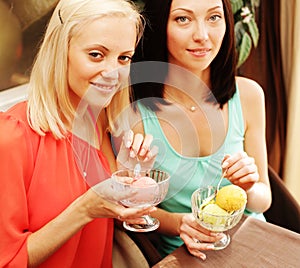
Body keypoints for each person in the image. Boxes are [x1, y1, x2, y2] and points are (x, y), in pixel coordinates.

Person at [0, 0, 155, 267]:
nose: (112, 73)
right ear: (61, 52)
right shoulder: (12, 137)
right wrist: (85, 209)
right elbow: (9, 259)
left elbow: (104, 215)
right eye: (96, 54)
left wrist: (128, 179)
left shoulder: (96, 120)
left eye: (124, 58)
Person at [125, 0, 272, 261]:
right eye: (183, 19)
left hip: (257, 244)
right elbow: (133, 207)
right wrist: (179, 222)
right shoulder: (134, 111)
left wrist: (249, 186)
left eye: (214, 17)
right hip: (190, 253)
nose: (202, 36)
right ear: (160, 25)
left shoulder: (249, 95)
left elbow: (263, 201)